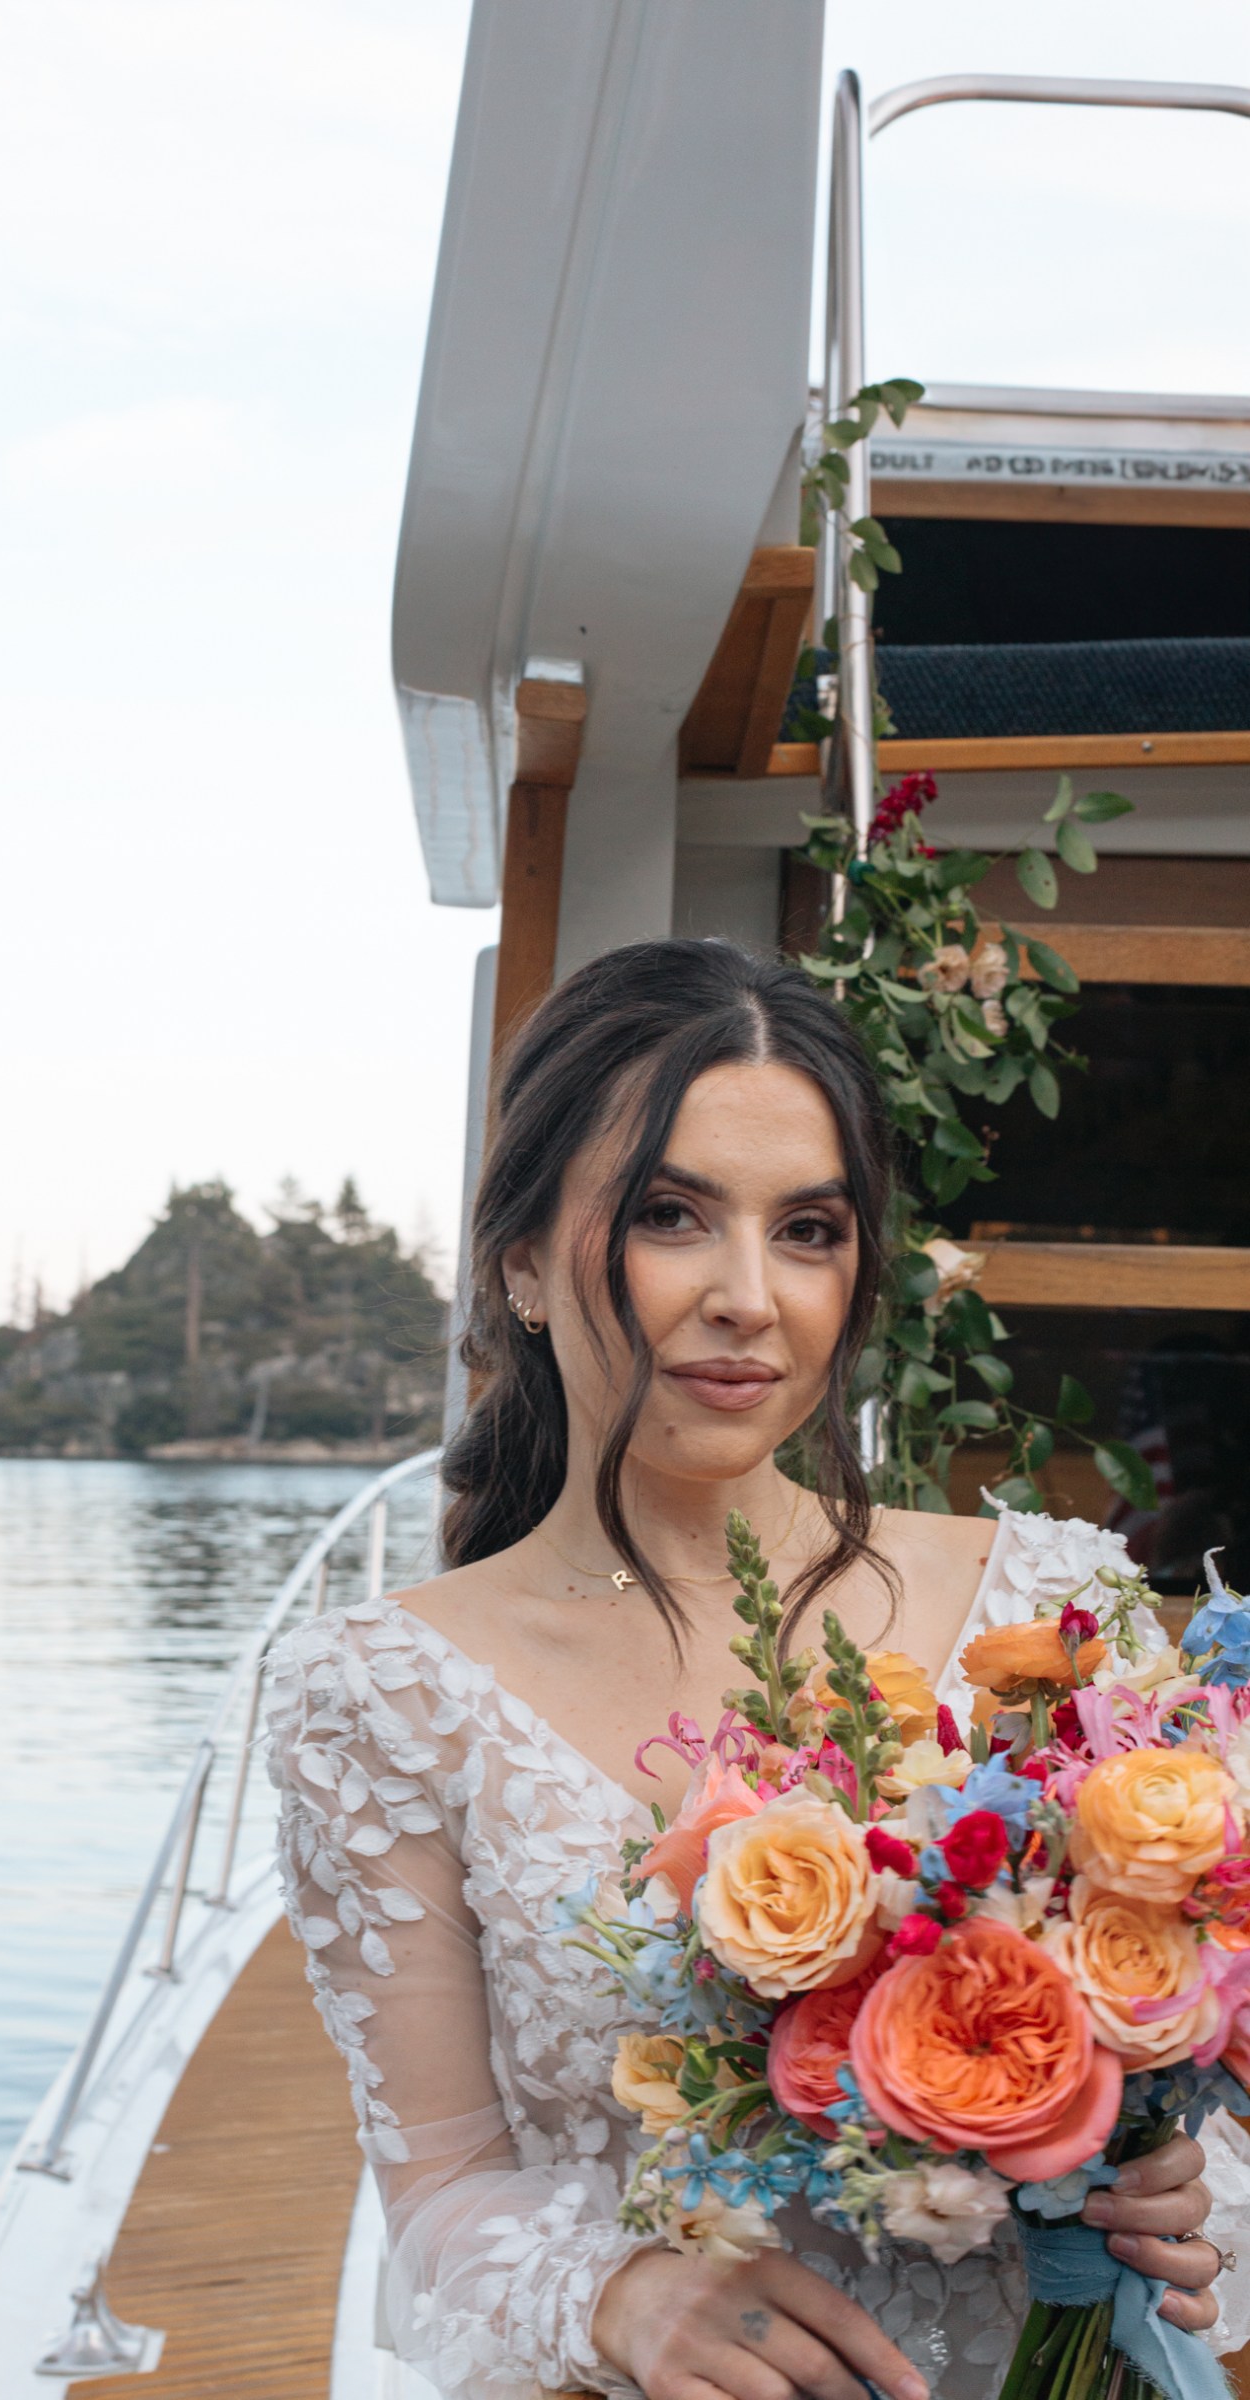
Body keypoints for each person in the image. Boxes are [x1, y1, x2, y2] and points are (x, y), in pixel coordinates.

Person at [266, 941, 1250, 2400]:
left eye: (807, 1230)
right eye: (669, 1216)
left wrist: (1180, 2185)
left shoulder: (1050, 1612)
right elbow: (441, 2194)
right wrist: (621, 2295)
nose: (749, 1297)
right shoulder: (381, 1692)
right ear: (521, 1262)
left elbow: (1199, 2072)